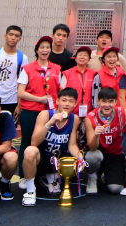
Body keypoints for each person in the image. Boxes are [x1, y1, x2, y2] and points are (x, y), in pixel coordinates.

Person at [21, 87, 81, 206]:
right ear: (57, 101)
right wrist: (50, 123)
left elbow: (72, 145)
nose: (67, 104)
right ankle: (30, 191)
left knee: (72, 158)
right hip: (42, 158)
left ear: (75, 104)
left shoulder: (74, 119)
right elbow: (34, 142)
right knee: (30, 151)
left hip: (58, 159)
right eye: (64, 100)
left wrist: (80, 158)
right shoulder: (45, 114)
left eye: (71, 101)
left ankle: (52, 176)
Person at [16, 36, 62, 181]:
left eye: (47, 47)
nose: (45, 50)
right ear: (37, 50)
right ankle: (24, 175)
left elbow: (60, 90)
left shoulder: (56, 68)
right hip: (31, 111)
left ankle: (43, 174)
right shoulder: (28, 68)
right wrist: (39, 99)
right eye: (42, 47)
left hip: (50, 112)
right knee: (27, 142)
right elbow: (20, 92)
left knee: (47, 143)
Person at [85, 87, 126, 195]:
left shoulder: (122, 112)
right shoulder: (90, 118)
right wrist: (96, 135)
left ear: (115, 102)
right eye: (104, 101)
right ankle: (92, 177)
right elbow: (92, 147)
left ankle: (106, 175)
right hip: (98, 152)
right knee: (92, 156)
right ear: (98, 102)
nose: (107, 105)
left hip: (115, 154)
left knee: (115, 189)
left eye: (111, 101)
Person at [61, 46, 95, 117]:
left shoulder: (94, 74)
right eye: (80, 55)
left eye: (85, 55)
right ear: (75, 58)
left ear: (89, 59)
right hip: (71, 113)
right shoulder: (67, 74)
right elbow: (61, 93)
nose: (82, 57)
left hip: (89, 113)